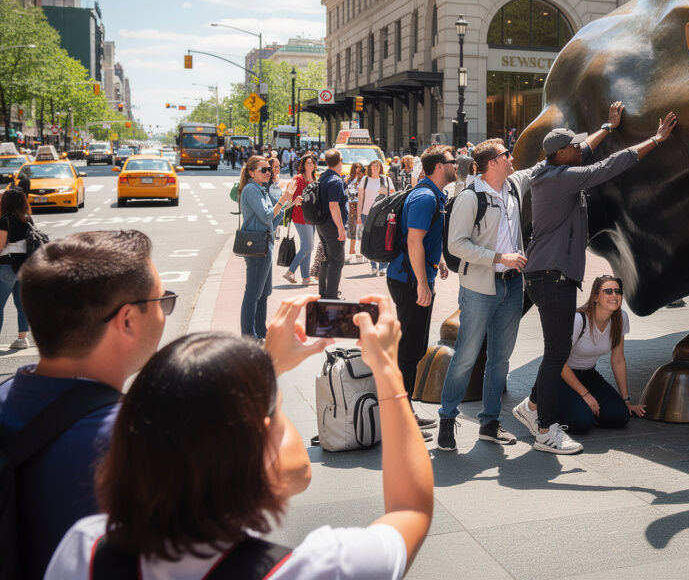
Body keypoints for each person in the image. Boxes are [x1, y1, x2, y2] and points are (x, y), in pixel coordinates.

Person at [45, 294, 435, 579]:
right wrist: (387, 369)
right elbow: (410, 509)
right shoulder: (318, 569)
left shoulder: (84, 550)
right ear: (259, 447)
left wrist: (266, 365)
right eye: (276, 410)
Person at [0, 230, 169, 578]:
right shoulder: (137, 441)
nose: (165, 312)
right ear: (127, 320)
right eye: (162, 301)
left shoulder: (6, 398)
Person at [522, 102, 678, 454]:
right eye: (573, 147)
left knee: (555, 350)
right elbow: (608, 165)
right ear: (560, 154)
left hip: (551, 273)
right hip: (551, 275)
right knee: (557, 352)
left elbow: (587, 150)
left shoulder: (553, 167)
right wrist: (657, 139)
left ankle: (532, 407)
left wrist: (608, 127)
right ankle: (544, 429)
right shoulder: (561, 179)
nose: (580, 148)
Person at [439, 139, 536, 450]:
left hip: (512, 285)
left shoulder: (513, 187)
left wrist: (603, 132)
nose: (512, 158)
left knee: (500, 359)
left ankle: (490, 423)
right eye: (506, 154)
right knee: (466, 357)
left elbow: (542, 166)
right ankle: (447, 418)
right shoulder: (470, 198)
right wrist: (499, 257)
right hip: (479, 288)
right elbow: (456, 245)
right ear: (492, 162)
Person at [514, 275, 646, 437]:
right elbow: (560, 362)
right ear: (596, 297)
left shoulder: (621, 318)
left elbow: (618, 360)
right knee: (581, 423)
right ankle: (545, 404)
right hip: (562, 376)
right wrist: (585, 395)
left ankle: (579, 408)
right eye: (608, 291)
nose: (614, 295)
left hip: (589, 375)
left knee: (621, 416)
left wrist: (626, 401)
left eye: (618, 292)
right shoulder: (579, 320)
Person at [385, 145, 453, 433]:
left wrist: (437, 262)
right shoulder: (425, 197)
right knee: (409, 350)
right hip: (410, 281)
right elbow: (413, 241)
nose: (456, 165)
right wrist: (423, 284)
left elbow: (422, 239)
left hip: (413, 277)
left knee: (413, 347)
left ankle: (405, 410)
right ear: (438, 166)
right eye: (451, 161)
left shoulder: (431, 194)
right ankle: (399, 416)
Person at [239, 155, 297, 339]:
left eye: (268, 169)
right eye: (263, 170)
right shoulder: (251, 190)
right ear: (251, 172)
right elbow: (266, 216)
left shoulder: (261, 189)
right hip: (256, 245)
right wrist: (283, 199)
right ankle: (249, 335)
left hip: (265, 243)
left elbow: (274, 219)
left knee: (264, 292)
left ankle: (260, 331)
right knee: (253, 293)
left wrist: (287, 201)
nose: (267, 173)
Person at [0, 187, 33, 348]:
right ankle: (22, 338)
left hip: (7, 266)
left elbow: (1, 245)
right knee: (21, 304)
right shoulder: (27, 218)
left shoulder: (5, 220)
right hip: (24, 266)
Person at [316, 149, 349, 300]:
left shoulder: (322, 177)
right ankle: (332, 295)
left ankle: (323, 292)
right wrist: (341, 228)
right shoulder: (336, 180)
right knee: (337, 261)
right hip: (332, 225)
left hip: (321, 224)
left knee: (326, 258)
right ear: (340, 162)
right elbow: (334, 206)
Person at [282, 153, 318, 286]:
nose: (310, 165)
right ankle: (290, 271)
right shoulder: (298, 179)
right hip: (300, 215)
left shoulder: (315, 178)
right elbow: (291, 197)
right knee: (308, 246)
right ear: (303, 165)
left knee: (307, 247)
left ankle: (306, 278)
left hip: (312, 216)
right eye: (308, 163)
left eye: (312, 163)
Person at [356, 159, 393, 276]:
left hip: (382, 213)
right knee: (369, 239)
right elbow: (360, 198)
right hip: (366, 213)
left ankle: (383, 266)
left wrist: (386, 193)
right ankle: (373, 265)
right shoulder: (365, 180)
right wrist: (358, 215)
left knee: (382, 239)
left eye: (377, 165)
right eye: (373, 165)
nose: (375, 167)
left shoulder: (386, 179)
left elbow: (393, 195)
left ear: (381, 167)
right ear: (370, 167)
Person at [344, 161, 367, 263]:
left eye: (360, 167)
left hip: (361, 205)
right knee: (352, 229)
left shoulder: (364, 179)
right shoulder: (348, 179)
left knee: (361, 229)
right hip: (351, 206)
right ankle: (351, 251)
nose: (358, 169)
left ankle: (360, 252)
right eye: (356, 167)